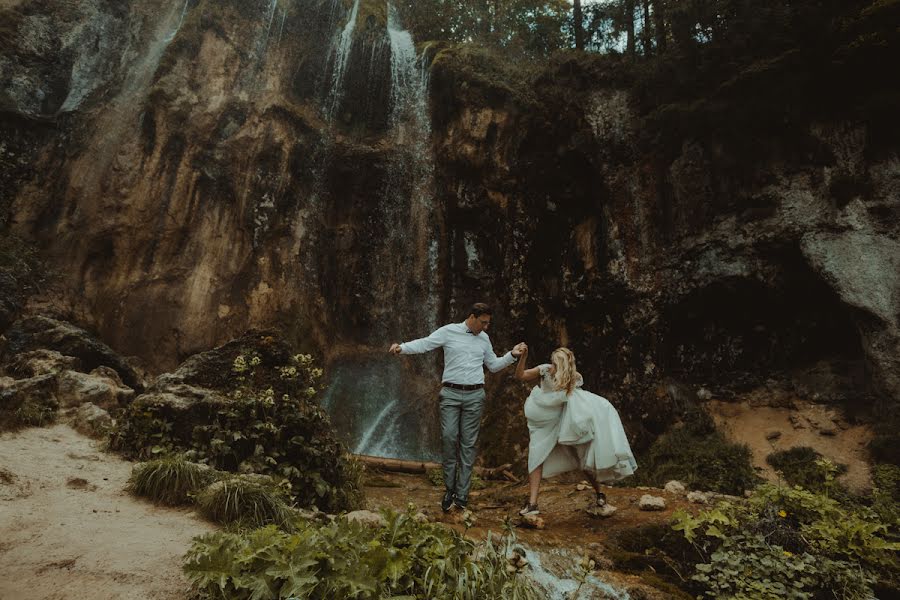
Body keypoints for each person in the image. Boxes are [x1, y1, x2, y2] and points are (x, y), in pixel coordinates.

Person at [390, 303, 526, 512]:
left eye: (488, 323)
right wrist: (403, 347)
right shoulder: (449, 331)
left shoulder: (484, 339)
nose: (486, 326)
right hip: (451, 394)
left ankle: (461, 495)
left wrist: (512, 355)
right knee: (449, 437)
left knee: (468, 445)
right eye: (483, 322)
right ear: (472, 317)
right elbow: (426, 343)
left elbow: (493, 365)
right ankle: (449, 490)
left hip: (475, 395)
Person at [515, 346, 637, 516]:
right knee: (535, 458)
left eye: (557, 363)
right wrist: (523, 358)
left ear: (566, 364)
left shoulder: (574, 377)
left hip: (564, 422)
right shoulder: (544, 370)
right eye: (553, 362)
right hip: (543, 425)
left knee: (582, 459)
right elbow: (520, 376)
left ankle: (600, 494)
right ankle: (532, 504)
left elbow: (579, 401)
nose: (554, 366)